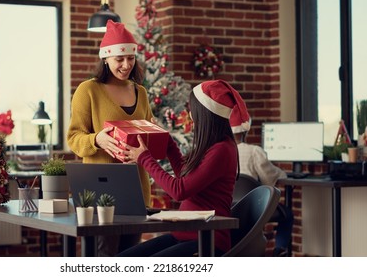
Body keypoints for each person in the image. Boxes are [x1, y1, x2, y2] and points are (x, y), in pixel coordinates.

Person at [117, 79, 249, 257]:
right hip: (185, 235)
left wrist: (144, 158)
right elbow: (184, 177)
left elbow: (178, 191)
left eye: (192, 110)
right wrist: (167, 141)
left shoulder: (222, 150)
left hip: (206, 240)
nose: (190, 115)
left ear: (205, 114)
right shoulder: (212, 146)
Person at [66, 20, 154, 256]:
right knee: (102, 256)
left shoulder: (141, 92)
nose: (126, 65)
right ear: (105, 59)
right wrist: (97, 140)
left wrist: (154, 135)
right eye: (119, 59)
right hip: (100, 189)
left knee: (130, 256)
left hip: (136, 188)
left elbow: (149, 131)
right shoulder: (88, 90)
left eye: (131, 58)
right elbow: (74, 137)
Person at [230, 105, 294, 257]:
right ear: (246, 130)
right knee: (288, 215)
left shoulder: (221, 151)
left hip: (230, 210)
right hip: (254, 209)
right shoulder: (254, 151)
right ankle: (280, 251)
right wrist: (283, 174)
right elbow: (269, 179)